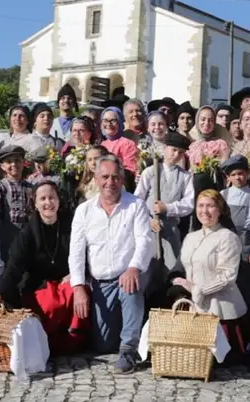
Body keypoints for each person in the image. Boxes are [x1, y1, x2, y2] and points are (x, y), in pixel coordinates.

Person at [69, 155, 153, 373]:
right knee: (103, 344)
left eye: (115, 177)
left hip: (127, 275)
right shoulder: (84, 211)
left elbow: (145, 241)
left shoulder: (136, 205)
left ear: (122, 179)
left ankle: (129, 349)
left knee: (131, 286)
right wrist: (78, 287)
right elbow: (76, 252)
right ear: (96, 179)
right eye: (105, 177)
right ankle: (127, 330)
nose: (110, 182)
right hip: (100, 283)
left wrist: (134, 267)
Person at [0, 181, 87, 355]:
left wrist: (74, 274)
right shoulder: (26, 235)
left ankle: (75, 340)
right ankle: (48, 342)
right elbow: (13, 268)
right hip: (38, 287)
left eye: (52, 197)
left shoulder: (72, 227)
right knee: (51, 303)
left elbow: (85, 254)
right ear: (35, 203)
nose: (48, 203)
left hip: (66, 283)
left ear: (59, 200)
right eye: (43, 199)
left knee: (79, 292)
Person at [173, 190, 250, 364]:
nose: (205, 211)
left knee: (213, 362)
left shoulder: (227, 237)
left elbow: (228, 275)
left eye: (210, 206)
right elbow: (187, 268)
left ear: (220, 209)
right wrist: (182, 284)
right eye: (201, 206)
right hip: (194, 308)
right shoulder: (190, 237)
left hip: (220, 311)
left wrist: (200, 290)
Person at [134, 132, 195, 286]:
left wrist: (168, 208)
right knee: (148, 269)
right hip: (149, 229)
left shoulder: (186, 176)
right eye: (173, 150)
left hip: (171, 230)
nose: (176, 155)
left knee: (171, 269)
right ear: (165, 148)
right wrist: (147, 220)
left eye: (180, 152)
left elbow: (189, 204)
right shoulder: (150, 172)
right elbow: (137, 201)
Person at [219, 155, 250, 321]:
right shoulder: (223, 195)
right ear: (228, 178)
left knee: (245, 282)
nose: (237, 178)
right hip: (226, 241)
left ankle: (248, 318)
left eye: (240, 173)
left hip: (245, 242)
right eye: (233, 175)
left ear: (247, 174)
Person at [0, 145, 34, 263]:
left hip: (26, 234)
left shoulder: (30, 187)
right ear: (2, 166)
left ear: (23, 163)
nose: (14, 164)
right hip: (7, 234)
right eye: (9, 162)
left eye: (17, 161)